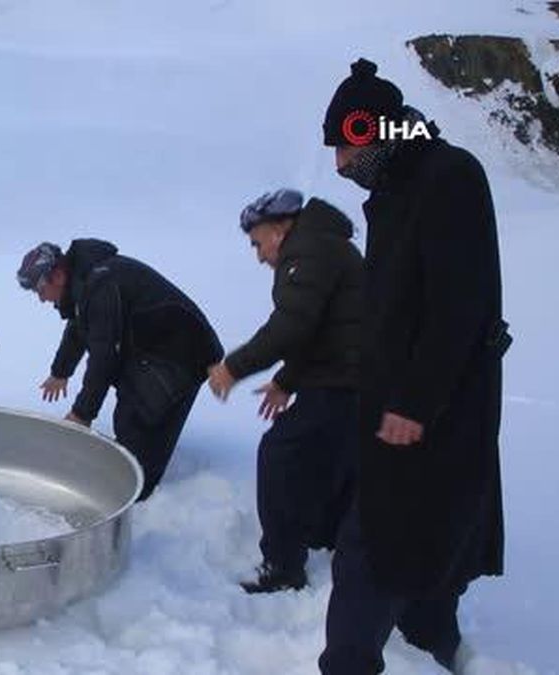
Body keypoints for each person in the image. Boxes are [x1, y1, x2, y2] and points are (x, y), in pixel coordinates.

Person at [318, 59, 509, 674]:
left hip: (431, 407)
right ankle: (434, 643)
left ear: (374, 130)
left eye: (343, 147)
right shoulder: (398, 190)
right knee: (431, 528)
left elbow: (460, 304)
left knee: (371, 544)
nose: (339, 166)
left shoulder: (447, 176)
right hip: (406, 402)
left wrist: (414, 401)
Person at [206, 188, 362, 594]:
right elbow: (322, 329)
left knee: (281, 456)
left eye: (258, 242)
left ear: (280, 227)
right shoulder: (321, 245)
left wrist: (232, 368)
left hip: (347, 381)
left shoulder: (309, 251)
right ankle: (330, 538)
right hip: (349, 377)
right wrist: (286, 380)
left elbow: (292, 325)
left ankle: (283, 566)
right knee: (328, 459)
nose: (258, 255)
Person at [17, 239, 223, 501]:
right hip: (153, 348)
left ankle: (140, 494)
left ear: (57, 275)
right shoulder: (85, 280)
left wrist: (82, 414)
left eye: (40, 289)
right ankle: (132, 464)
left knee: (143, 423)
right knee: (128, 412)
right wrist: (61, 371)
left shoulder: (100, 286)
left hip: (184, 355)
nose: (41, 299)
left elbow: (104, 357)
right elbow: (80, 325)